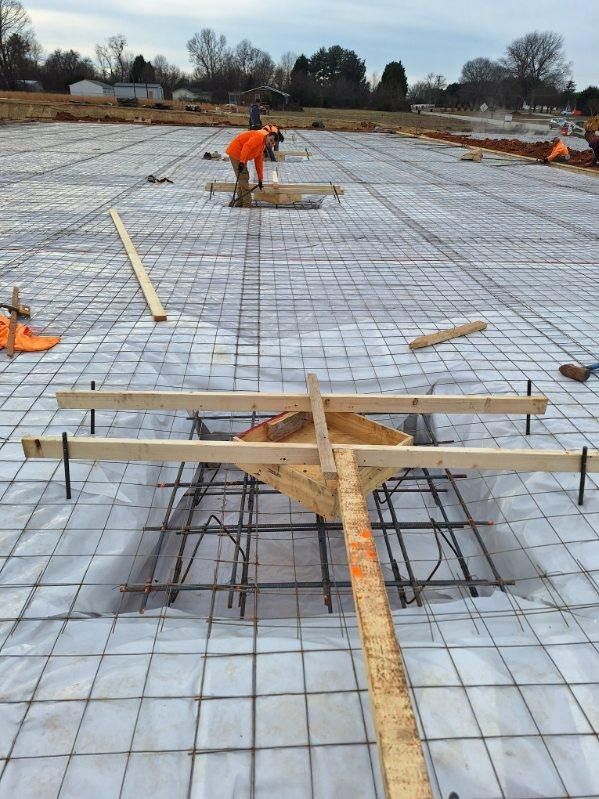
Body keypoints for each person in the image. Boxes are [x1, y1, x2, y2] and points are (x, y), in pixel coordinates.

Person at [225, 129, 277, 207]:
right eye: (270, 140)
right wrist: (242, 162)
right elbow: (247, 146)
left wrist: (260, 180)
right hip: (236, 153)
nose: (270, 143)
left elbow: (259, 162)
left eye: (272, 143)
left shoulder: (262, 146)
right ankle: (247, 204)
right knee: (243, 178)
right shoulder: (259, 138)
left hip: (242, 156)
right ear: (267, 136)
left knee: (242, 178)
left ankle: (240, 202)